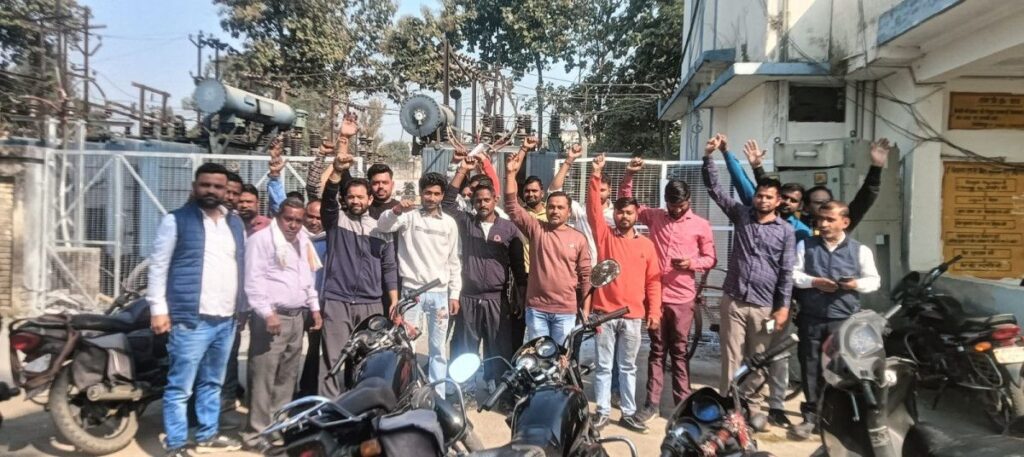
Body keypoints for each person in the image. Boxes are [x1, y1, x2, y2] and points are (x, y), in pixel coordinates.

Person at [147, 162, 245, 456]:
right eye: (206, 185)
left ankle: (207, 434)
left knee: (213, 382)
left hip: (225, 320)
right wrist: (158, 309)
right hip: (191, 320)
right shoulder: (176, 220)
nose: (212, 191)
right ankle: (176, 443)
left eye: (218, 186)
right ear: (195, 187)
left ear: (226, 190)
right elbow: (158, 266)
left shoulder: (233, 223)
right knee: (180, 387)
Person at [620, 157, 717, 423]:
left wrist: (691, 263)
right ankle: (651, 404)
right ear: (666, 202)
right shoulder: (655, 217)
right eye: (673, 206)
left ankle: (682, 405)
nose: (677, 210)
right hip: (655, 298)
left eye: (681, 206)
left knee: (679, 352)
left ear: (688, 201)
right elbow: (627, 203)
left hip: (682, 299)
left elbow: (710, 258)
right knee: (657, 351)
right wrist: (629, 175)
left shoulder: (700, 225)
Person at [702, 134, 796, 401]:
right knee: (731, 358)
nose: (763, 200)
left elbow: (786, 273)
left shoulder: (786, 231)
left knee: (758, 359)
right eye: (759, 196)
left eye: (768, 197)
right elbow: (715, 190)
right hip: (734, 301)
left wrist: (783, 308)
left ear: (778, 201)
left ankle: (752, 405)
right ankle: (729, 407)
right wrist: (709, 157)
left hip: (764, 307)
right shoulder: (741, 215)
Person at [318, 114, 399, 397]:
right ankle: (329, 411)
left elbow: (389, 267)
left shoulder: (380, 228)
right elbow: (328, 199)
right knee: (333, 361)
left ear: (369, 199)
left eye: (360, 197)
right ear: (345, 199)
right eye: (351, 197)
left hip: (371, 304)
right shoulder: (335, 221)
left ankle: (361, 409)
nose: (355, 200)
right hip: (337, 301)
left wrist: (393, 301)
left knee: (368, 361)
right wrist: (337, 168)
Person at [789, 200, 881, 440]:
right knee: (810, 366)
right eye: (821, 219)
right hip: (811, 318)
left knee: (837, 369)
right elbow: (794, 274)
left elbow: (874, 281)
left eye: (830, 220)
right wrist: (814, 282)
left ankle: (832, 418)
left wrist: (855, 284)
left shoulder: (860, 250)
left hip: (843, 320)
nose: (824, 224)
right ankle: (810, 416)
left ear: (845, 222)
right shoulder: (806, 245)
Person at [584, 154, 662, 433]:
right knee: (604, 366)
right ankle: (603, 411)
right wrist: (596, 174)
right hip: (604, 315)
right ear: (614, 214)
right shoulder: (605, 236)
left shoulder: (647, 245)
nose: (624, 216)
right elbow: (593, 210)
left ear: (636, 213)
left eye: (629, 212)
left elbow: (653, 281)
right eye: (620, 212)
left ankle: (628, 412)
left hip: (633, 317)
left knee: (628, 367)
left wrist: (654, 311)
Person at [241, 197, 322, 449]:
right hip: (272, 319)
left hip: (297, 317)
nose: (293, 225)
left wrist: (315, 309)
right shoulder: (261, 240)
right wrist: (267, 313)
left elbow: (307, 278)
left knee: (287, 377)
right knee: (263, 376)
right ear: (278, 217)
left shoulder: (302, 240)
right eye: (289, 219)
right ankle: (255, 434)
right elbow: (253, 280)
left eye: (298, 220)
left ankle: (277, 427)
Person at [444, 156, 527, 395]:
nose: (482, 204)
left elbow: (518, 268)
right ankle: (466, 388)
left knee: (497, 344)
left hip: (496, 299)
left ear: (495, 200)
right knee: (466, 345)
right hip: (468, 297)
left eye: (486, 200)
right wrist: (462, 170)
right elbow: (448, 203)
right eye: (478, 200)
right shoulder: (466, 223)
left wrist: (520, 297)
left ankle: (495, 384)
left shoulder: (509, 229)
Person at [378, 172, 462, 396]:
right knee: (407, 346)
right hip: (411, 293)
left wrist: (454, 293)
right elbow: (383, 225)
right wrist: (397, 209)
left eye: (436, 194)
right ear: (421, 193)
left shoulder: (449, 223)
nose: (431, 198)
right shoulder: (409, 217)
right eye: (427, 193)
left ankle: (438, 395)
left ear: (442, 196)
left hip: (440, 294)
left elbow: (454, 260)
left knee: (438, 348)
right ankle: (406, 392)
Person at [504, 137, 592, 346]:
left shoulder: (578, 238)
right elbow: (511, 206)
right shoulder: (536, 228)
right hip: (537, 309)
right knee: (539, 358)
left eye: (560, 207)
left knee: (561, 358)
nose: (555, 211)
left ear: (569, 212)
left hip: (566, 311)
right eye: (551, 207)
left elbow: (586, 276)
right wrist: (510, 174)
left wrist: (586, 310)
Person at [738, 137, 891, 230]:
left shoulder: (840, 225)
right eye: (818, 202)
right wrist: (757, 167)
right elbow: (770, 193)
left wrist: (877, 166)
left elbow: (865, 199)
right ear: (805, 207)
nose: (824, 206)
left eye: (827, 202)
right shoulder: (794, 224)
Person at [296, 198, 328, 398]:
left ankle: (308, 388)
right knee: (290, 350)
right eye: (310, 216)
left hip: (319, 306)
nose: (314, 221)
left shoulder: (331, 240)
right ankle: (285, 392)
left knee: (315, 349)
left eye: (319, 217)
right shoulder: (294, 236)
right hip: (296, 305)